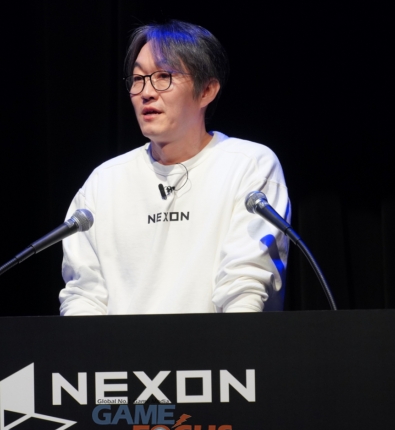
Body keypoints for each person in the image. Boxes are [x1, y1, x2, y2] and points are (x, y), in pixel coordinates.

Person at [59, 20, 290, 315]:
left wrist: (230, 343)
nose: (146, 92)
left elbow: (246, 288)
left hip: (221, 345)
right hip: (120, 348)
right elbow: (83, 296)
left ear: (207, 90)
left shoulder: (249, 165)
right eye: (138, 79)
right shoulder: (104, 182)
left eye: (163, 76)